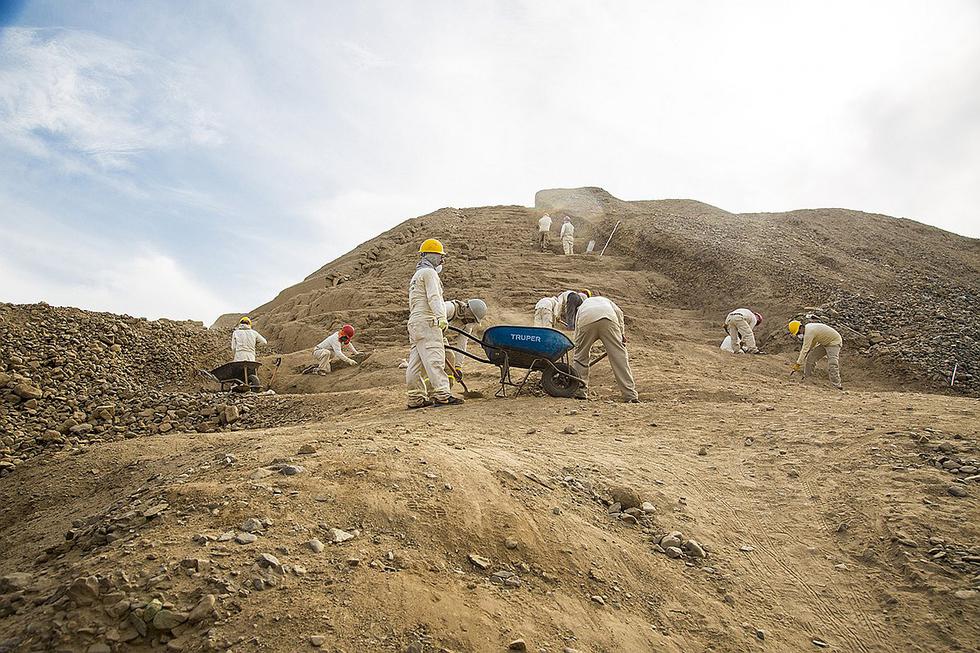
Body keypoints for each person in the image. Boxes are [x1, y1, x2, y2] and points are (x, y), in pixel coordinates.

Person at [406, 239, 463, 408]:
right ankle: (442, 395)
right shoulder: (430, 273)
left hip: (415, 323)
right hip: (427, 321)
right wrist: (441, 317)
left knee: (415, 363)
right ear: (431, 256)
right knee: (435, 358)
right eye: (440, 256)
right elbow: (434, 297)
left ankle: (415, 398)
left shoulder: (416, 276)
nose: (442, 260)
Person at [570, 296, 638, 403]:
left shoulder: (583, 306)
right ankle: (630, 395)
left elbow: (578, 326)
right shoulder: (606, 301)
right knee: (619, 357)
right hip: (608, 319)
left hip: (586, 321)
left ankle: (580, 392)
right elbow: (619, 313)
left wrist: (578, 345)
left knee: (580, 357)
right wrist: (621, 334)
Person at [789, 320, 843, 390]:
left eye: (798, 333)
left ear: (801, 328)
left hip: (834, 342)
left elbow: (804, 349)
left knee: (832, 363)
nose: (798, 335)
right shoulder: (808, 329)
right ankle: (807, 379)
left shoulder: (809, 332)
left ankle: (837, 385)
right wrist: (808, 351)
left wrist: (798, 363)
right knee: (811, 358)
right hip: (824, 343)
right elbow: (813, 342)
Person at [443, 298, 487, 381]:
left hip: (440, 337)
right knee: (436, 359)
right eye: (472, 319)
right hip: (428, 332)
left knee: (450, 357)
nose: (471, 322)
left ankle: (446, 385)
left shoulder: (467, 326)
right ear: (468, 312)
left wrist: (458, 367)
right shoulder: (450, 308)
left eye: (474, 320)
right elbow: (432, 316)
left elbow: (462, 345)